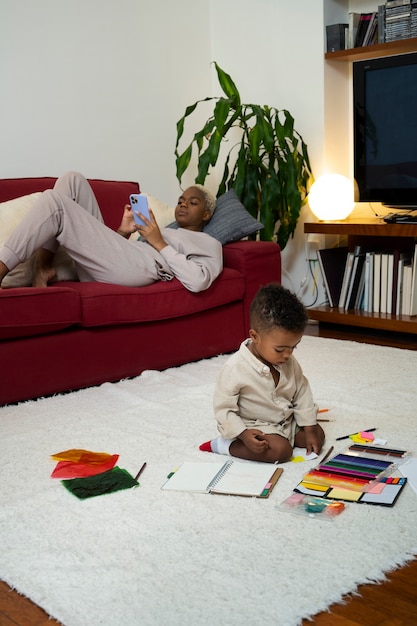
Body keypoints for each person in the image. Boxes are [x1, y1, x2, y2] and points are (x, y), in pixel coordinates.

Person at [0, 171, 222, 292]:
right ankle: (43, 267)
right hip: (121, 260)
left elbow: (198, 281)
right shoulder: (164, 230)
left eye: (193, 202)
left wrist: (158, 242)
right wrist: (123, 232)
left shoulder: (209, 243)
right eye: (181, 200)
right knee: (72, 181)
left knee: (54, 202)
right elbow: (112, 258)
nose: (183, 205)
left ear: (206, 215)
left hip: (139, 268)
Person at [199, 283, 324, 463]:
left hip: (287, 421)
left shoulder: (288, 362)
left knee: (317, 434)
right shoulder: (235, 368)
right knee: (281, 452)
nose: (288, 354)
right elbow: (224, 409)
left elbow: (302, 391)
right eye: (280, 349)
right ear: (255, 337)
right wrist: (242, 434)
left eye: (293, 347)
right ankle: (225, 445)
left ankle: (298, 433)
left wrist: (310, 428)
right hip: (254, 426)